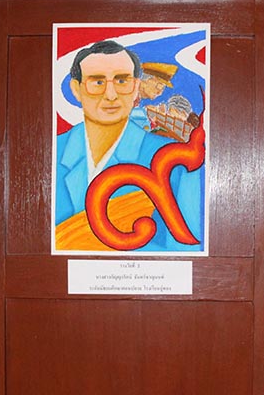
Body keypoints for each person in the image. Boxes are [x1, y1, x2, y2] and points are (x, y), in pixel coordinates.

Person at [55, 40, 201, 251]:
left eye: (122, 81)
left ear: (135, 88)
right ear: (76, 89)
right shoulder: (53, 152)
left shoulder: (172, 158)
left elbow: (186, 253)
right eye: (98, 82)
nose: (111, 95)